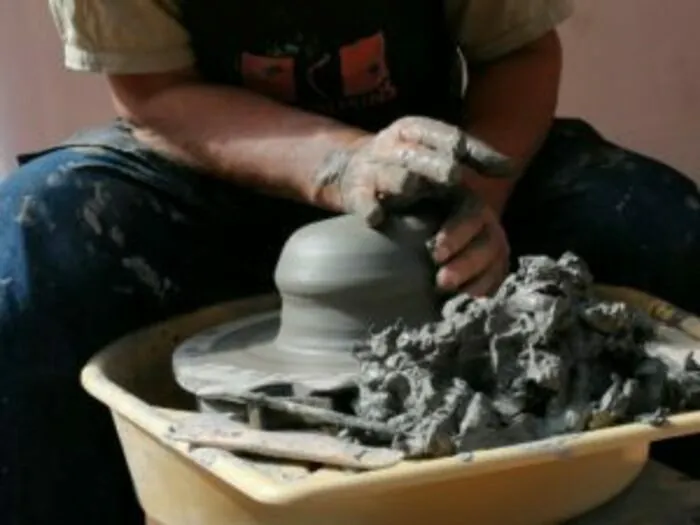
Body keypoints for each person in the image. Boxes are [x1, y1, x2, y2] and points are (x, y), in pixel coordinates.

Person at [1, 0, 699, 522]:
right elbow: (154, 92)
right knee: (29, 258)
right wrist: (336, 164)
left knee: (659, 225)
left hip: (430, 163)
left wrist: (472, 205)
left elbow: (516, 54)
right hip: (211, 169)